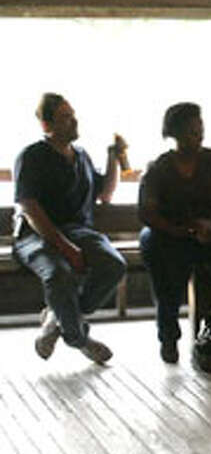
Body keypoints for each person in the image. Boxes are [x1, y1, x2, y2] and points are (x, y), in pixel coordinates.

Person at [13, 93, 126, 364]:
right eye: (65, 117)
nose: (73, 121)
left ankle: (61, 317)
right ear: (46, 125)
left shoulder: (81, 156)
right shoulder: (32, 156)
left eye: (73, 115)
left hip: (78, 230)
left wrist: (113, 157)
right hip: (35, 234)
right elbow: (29, 208)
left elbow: (105, 193)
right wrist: (66, 248)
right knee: (58, 274)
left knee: (113, 264)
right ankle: (79, 338)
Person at [138, 102, 211, 363]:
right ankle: (168, 334)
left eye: (200, 129)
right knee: (157, 252)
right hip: (171, 233)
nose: (198, 135)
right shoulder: (160, 167)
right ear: (175, 133)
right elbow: (148, 211)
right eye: (191, 130)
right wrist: (179, 230)